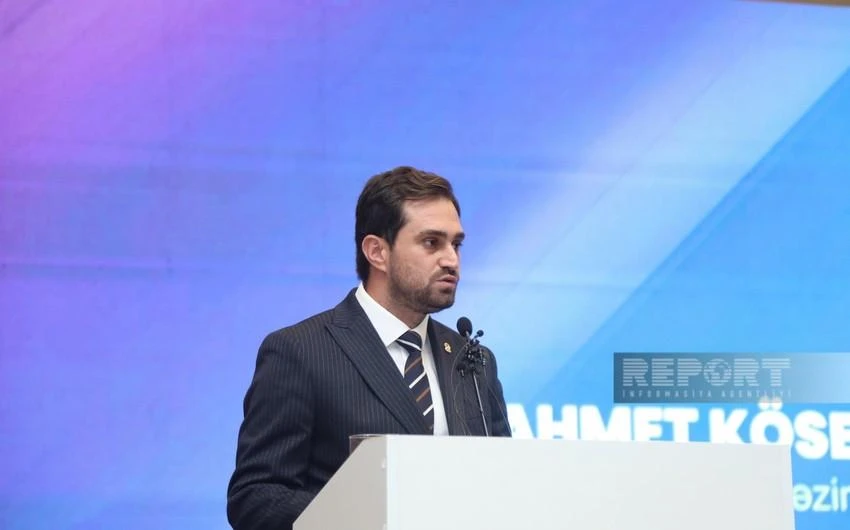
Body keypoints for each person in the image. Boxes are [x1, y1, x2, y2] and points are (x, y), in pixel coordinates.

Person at [226, 166, 511, 530]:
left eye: (456, 244)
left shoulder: (472, 360)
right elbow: (256, 497)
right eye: (431, 242)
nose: (451, 260)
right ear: (377, 252)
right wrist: (366, 516)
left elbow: (504, 481)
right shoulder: (300, 352)